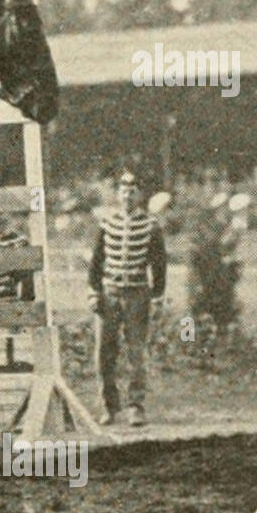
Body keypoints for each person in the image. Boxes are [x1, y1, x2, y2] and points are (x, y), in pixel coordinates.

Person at [87, 168, 167, 427]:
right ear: (118, 194)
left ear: (140, 194)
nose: (128, 195)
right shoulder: (107, 222)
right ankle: (110, 407)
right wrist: (93, 291)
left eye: (133, 190)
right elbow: (96, 261)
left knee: (136, 352)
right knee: (104, 353)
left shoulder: (151, 226)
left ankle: (136, 406)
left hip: (137, 295)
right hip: (109, 294)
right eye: (123, 190)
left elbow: (159, 265)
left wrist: (157, 297)